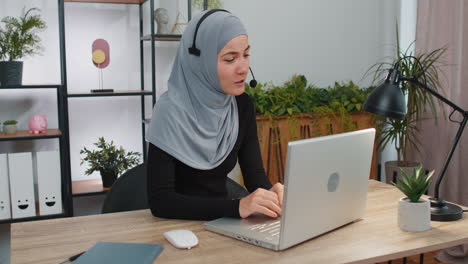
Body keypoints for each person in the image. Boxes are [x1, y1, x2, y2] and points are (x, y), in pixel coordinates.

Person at [146, 10, 283, 221]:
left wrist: (272, 196)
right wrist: (236, 208)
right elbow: (161, 202)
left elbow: (255, 176)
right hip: (174, 228)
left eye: (246, 55)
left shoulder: (241, 105)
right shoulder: (168, 111)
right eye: (230, 59)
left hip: (223, 225)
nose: (243, 68)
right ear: (200, 62)